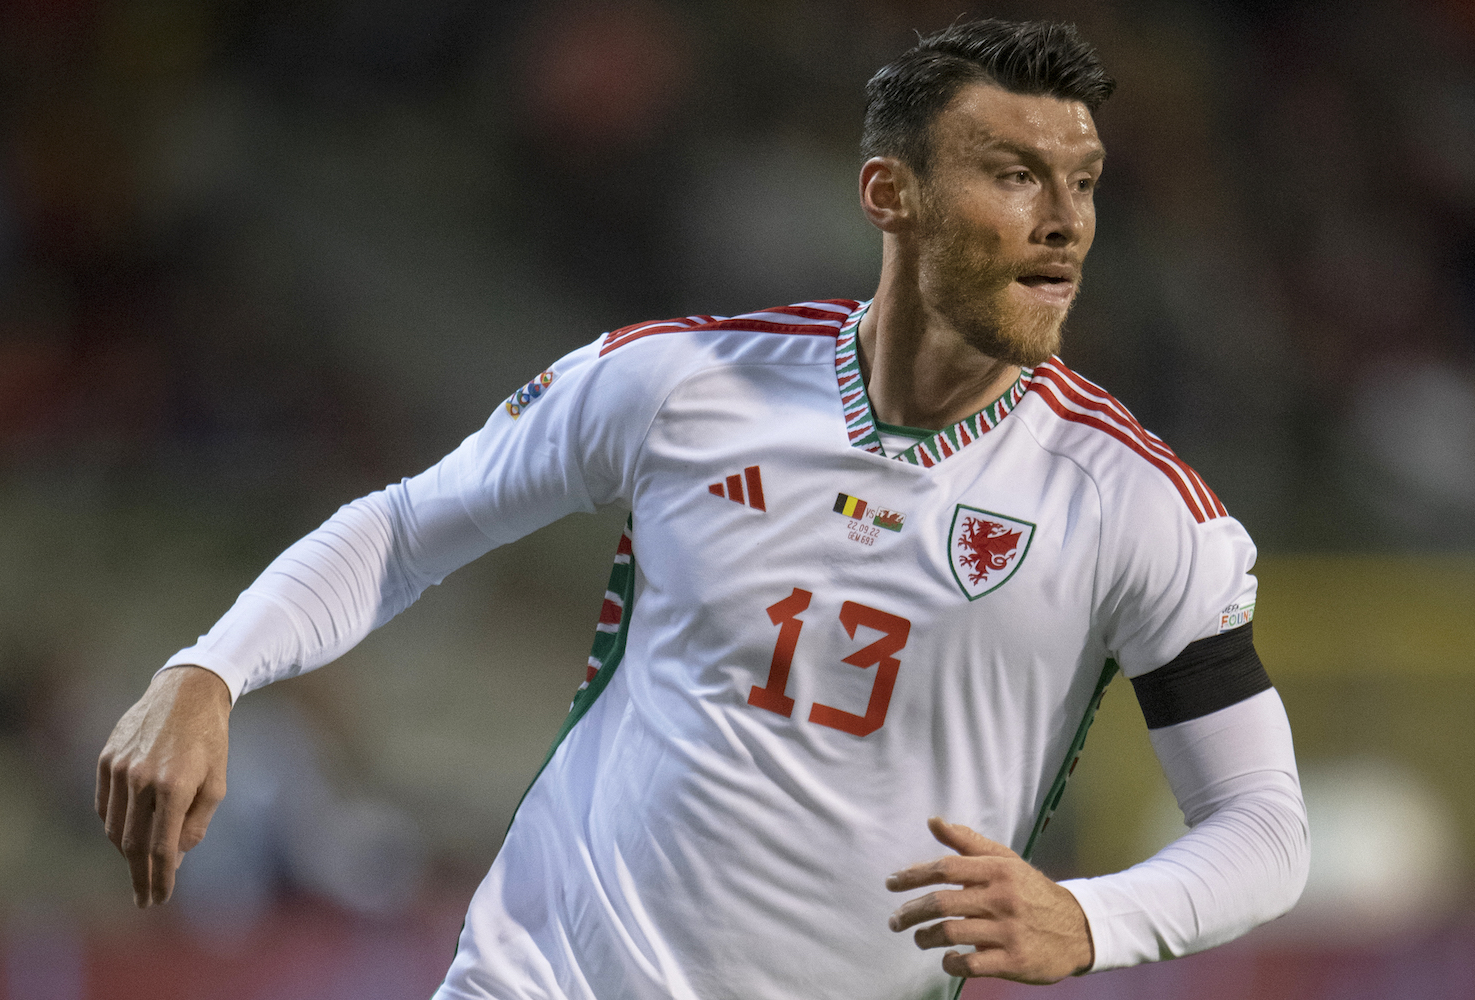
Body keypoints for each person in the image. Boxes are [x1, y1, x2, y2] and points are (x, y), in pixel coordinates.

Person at [95, 18, 1309, 1000]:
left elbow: (1263, 825)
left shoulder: (1138, 510)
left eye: (1083, 183)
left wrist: (1092, 918)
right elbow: (410, 527)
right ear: (891, 194)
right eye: (1015, 175)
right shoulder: (681, 384)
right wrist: (212, 668)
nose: (1065, 221)